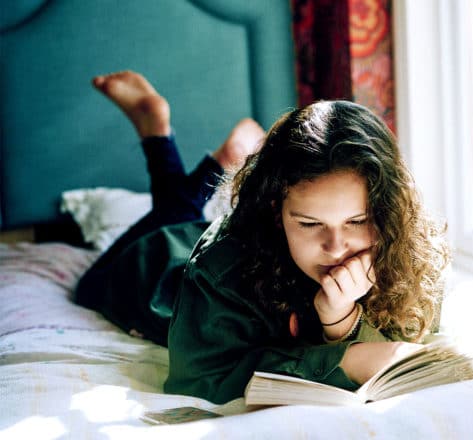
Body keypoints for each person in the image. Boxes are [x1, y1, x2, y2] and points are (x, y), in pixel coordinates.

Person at [74, 71, 451, 404]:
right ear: (276, 210)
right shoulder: (217, 270)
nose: (336, 246)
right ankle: (164, 138)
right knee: (94, 282)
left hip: (204, 239)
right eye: (309, 223)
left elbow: (402, 352)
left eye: (357, 221)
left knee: (179, 211)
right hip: (156, 268)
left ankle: (184, 148)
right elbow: (202, 381)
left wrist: (340, 319)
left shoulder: (409, 249)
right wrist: (343, 359)